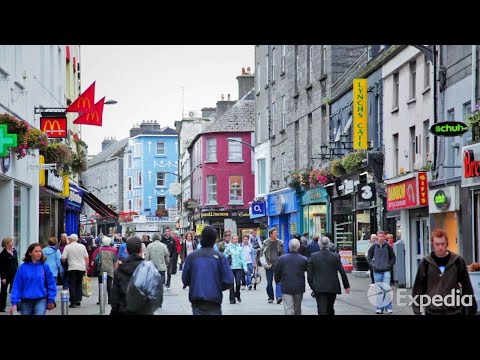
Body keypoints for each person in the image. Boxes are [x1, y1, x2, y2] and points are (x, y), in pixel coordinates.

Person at [412, 229, 478, 315]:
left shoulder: (457, 261)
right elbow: (418, 288)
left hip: (454, 310)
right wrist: (417, 310)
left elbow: (466, 286)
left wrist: (471, 308)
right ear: (432, 244)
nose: (440, 247)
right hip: (432, 310)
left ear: (447, 243)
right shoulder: (426, 262)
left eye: (442, 244)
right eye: (437, 244)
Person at [182, 225, 234, 315]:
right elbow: (229, 280)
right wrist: (217, 287)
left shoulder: (192, 257)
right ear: (214, 240)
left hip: (197, 300)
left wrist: (194, 284)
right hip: (214, 300)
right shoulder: (220, 257)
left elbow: (185, 278)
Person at [110, 236, 160, 315]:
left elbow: (114, 297)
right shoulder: (148, 268)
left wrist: (115, 309)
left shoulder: (120, 269)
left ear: (126, 250)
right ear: (141, 250)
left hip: (124, 309)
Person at [9, 243, 57, 315]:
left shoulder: (45, 266)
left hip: (41, 299)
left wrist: (51, 300)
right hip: (26, 301)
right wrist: (14, 303)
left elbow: (51, 284)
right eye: (36, 251)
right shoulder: (23, 267)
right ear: (30, 253)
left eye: (40, 251)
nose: (39, 253)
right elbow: (17, 286)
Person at [307, 236, 350, 315]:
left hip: (319, 287)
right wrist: (346, 285)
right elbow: (342, 272)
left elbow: (309, 275)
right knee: (330, 307)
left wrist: (313, 286)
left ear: (319, 244)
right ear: (329, 244)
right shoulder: (335, 256)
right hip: (332, 286)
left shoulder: (313, 256)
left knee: (321, 309)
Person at [274, 238, 308, 315]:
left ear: (289, 247)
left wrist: (278, 282)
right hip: (299, 287)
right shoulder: (304, 259)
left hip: (286, 286)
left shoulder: (282, 259)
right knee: (297, 308)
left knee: (288, 308)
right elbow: (309, 272)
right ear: (298, 247)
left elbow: (277, 273)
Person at [366, 230, 396, 314]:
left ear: (384, 237)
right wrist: (373, 265)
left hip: (386, 271)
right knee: (378, 291)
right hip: (377, 271)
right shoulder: (374, 246)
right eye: (379, 236)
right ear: (377, 237)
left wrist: (389, 265)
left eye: (382, 236)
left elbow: (393, 257)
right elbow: (369, 257)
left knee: (386, 289)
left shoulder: (388, 246)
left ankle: (388, 307)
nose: (381, 238)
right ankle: (379, 308)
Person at [61, 233, 89, 308]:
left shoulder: (67, 247)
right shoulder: (82, 246)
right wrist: (86, 267)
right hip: (81, 268)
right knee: (79, 284)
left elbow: (63, 257)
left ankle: (73, 302)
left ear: (71, 239)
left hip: (72, 268)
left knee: (72, 285)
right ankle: (78, 300)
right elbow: (86, 258)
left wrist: (64, 261)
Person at [261, 227, 284, 304]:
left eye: (276, 233)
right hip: (269, 266)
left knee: (279, 282)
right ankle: (270, 297)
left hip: (278, 265)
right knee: (269, 283)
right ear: (270, 234)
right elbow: (261, 255)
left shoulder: (280, 242)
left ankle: (279, 297)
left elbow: (283, 254)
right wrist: (265, 264)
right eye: (275, 233)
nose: (276, 234)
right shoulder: (266, 243)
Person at [224, 234, 248, 304]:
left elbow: (243, 258)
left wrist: (245, 267)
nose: (236, 240)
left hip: (238, 268)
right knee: (231, 284)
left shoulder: (240, 248)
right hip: (230, 268)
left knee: (238, 283)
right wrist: (228, 254)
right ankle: (232, 299)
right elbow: (224, 256)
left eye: (237, 239)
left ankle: (237, 294)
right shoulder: (228, 247)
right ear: (232, 239)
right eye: (234, 239)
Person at [0, 237, 18, 312]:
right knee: (4, 291)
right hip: (6, 275)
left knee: (15, 290)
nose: (12, 242)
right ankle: (1, 307)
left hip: (14, 274)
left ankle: (16, 305)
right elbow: (1, 266)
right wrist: (3, 277)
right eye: (11, 241)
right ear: (7, 243)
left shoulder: (14, 251)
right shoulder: (3, 254)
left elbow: (16, 263)